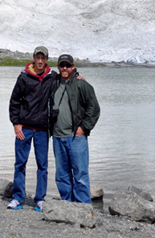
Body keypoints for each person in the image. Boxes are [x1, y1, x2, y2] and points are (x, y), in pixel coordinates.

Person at [7, 46, 54, 212]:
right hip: (24, 128)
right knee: (20, 163)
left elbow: (67, 81)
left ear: (47, 59)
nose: (40, 61)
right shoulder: (24, 77)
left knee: (43, 166)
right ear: (34, 58)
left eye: (43, 58)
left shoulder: (51, 77)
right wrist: (15, 123)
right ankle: (17, 197)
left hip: (42, 129)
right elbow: (14, 101)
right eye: (38, 58)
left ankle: (40, 199)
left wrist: (78, 77)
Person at [49, 53, 100, 204]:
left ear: (73, 67)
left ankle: (84, 208)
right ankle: (67, 205)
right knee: (62, 176)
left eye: (68, 65)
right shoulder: (53, 83)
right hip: (57, 137)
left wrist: (84, 128)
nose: (65, 68)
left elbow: (94, 109)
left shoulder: (82, 85)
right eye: (62, 65)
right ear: (58, 67)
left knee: (80, 175)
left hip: (76, 137)